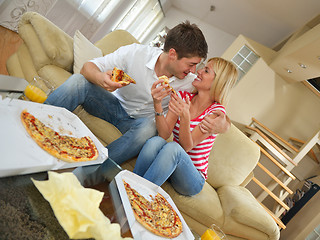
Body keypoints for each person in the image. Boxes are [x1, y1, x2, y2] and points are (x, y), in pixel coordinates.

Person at [44, 21, 230, 166]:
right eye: (191, 64)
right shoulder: (134, 53)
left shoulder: (189, 82)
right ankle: (39, 122)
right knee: (78, 82)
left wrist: (224, 124)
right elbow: (87, 68)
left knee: (149, 128)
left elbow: (215, 98)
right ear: (172, 54)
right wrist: (102, 79)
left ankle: (92, 167)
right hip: (110, 105)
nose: (193, 71)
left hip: (137, 124)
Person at [133, 57, 238, 196]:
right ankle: (129, 185)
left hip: (192, 178)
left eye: (206, 71)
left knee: (173, 148)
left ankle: (138, 195)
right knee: (155, 141)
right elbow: (164, 134)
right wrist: (157, 104)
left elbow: (186, 146)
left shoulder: (216, 113)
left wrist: (185, 117)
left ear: (218, 82)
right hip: (172, 165)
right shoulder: (183, 96)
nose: (199, 71)